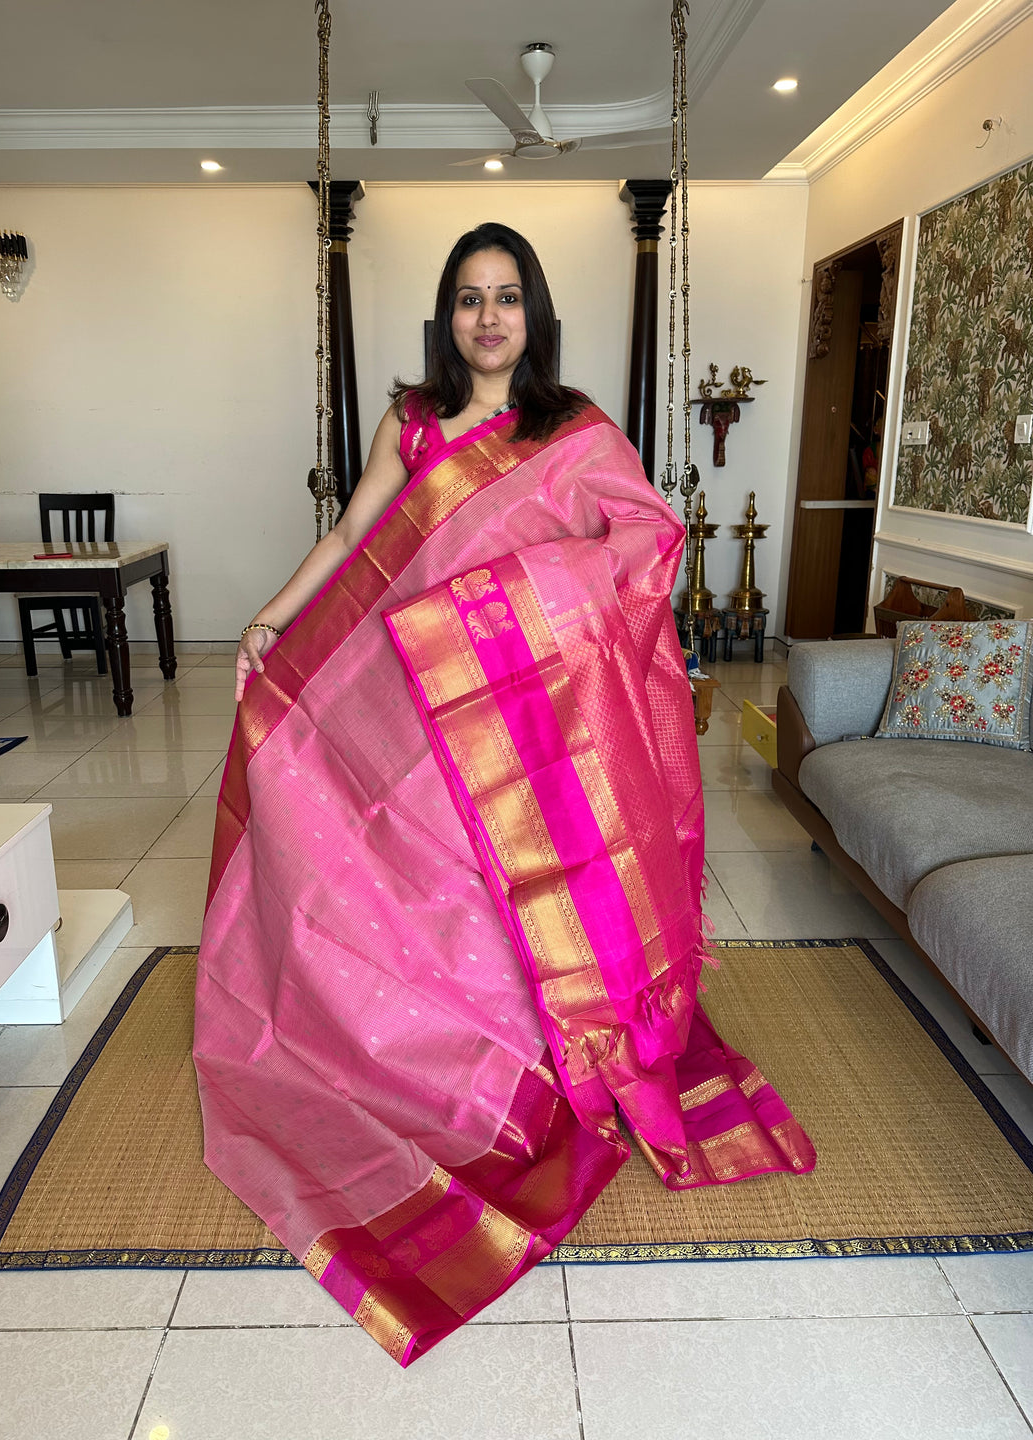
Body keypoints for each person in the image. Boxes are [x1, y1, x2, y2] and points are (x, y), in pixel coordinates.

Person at [194, 222, 815, 1368]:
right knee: (415, 880)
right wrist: (276, 617)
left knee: (507, 888)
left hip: (518, 716)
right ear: (448, 316)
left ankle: (528, 1060)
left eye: (507, 298)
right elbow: (352, 534)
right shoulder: (413, 421)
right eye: (470, 299)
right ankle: (423, 1054)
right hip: (409, 698)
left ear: (534, 315)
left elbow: (644, 539)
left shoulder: (569, 428)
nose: (488, 318)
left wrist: (510, 598)